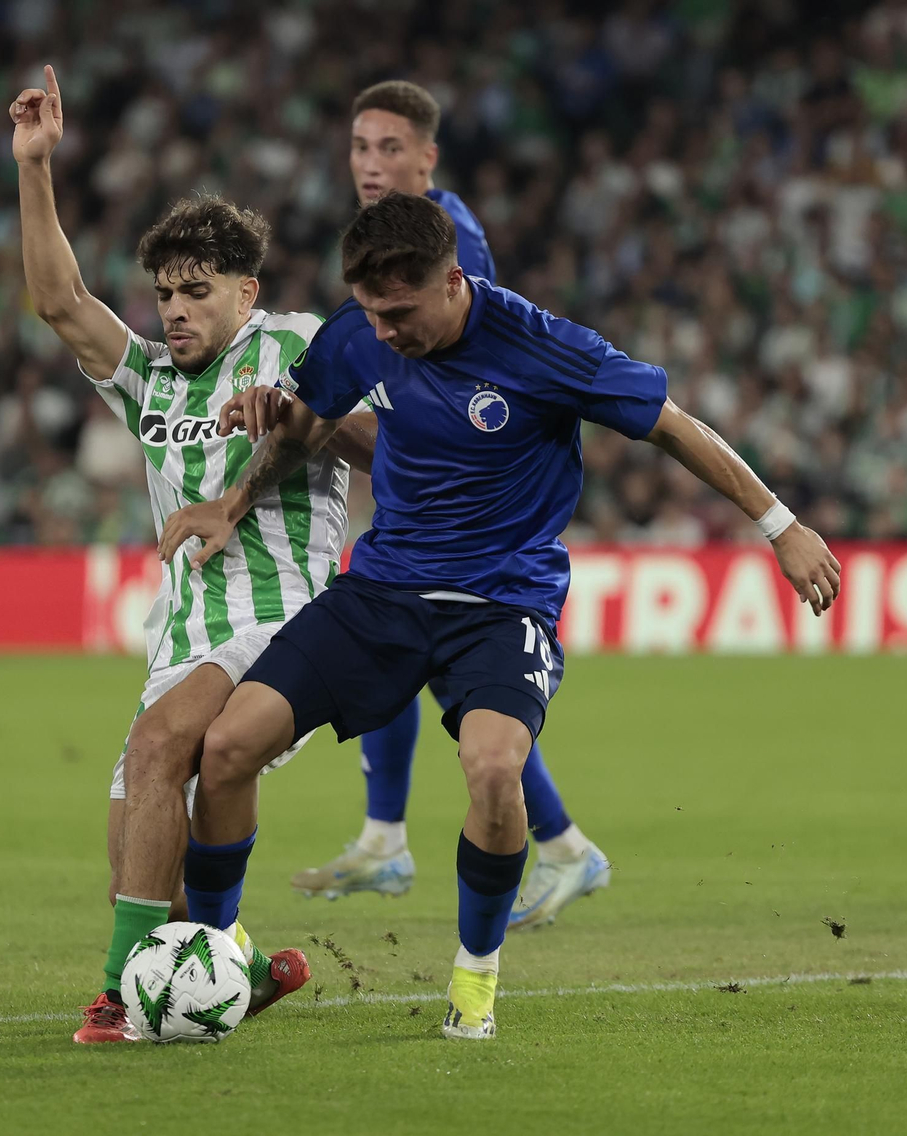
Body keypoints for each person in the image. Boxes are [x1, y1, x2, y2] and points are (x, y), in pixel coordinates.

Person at [159, 192, 840, 1039]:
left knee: (491, 769)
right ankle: (215, 964)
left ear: (453, 282)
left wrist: (781, 526)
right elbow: (307, 419)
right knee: (225, 749)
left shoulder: (543, 345)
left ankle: (475, 981)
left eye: (401, 313)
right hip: (384, 591)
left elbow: (673, 427)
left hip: (502, 600)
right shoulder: (358, 329)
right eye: (373, 314)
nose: (386, 333)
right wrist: (235, 497)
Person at [11, 65, 370, 1044]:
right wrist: (35, 168)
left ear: (245, 291)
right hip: (184, 630)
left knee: (161, 747)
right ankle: (241, 966)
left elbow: (389, 443)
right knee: (138, 828)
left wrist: (302, 415)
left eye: (194, 291)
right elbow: (60, 299)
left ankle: (119, 992)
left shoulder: (297, 344)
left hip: (284, 615)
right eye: (164, 292)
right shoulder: (148, 383)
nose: (172, 309)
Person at [288, 80, 610, 928]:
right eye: (360, 147)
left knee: (428, 654)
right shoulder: (392, 236)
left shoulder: (448, 237)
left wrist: (317, 420)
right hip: (425, 493)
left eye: (390, 148)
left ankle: (420, 840)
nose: (370, 164)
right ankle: (462, 840)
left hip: (467, 506)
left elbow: (456, 379)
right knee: (429, 666)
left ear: (427, 157)